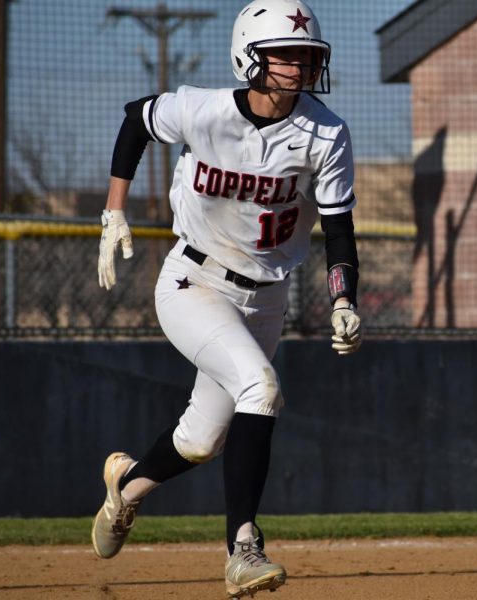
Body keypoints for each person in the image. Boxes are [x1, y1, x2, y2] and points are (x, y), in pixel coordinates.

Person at [92, 1, 362, 597]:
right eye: (285, 54)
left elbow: (339, 227)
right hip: (194, 281)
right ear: (250, 57)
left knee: (200, 440)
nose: (299, 65)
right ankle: (243, 547)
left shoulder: (326, 131)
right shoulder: (203, 108)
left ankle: (125, 490)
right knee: (260, 389)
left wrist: (343, 296)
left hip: (267, 298)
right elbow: (137, 119)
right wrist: (114, 211)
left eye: (306, 55)